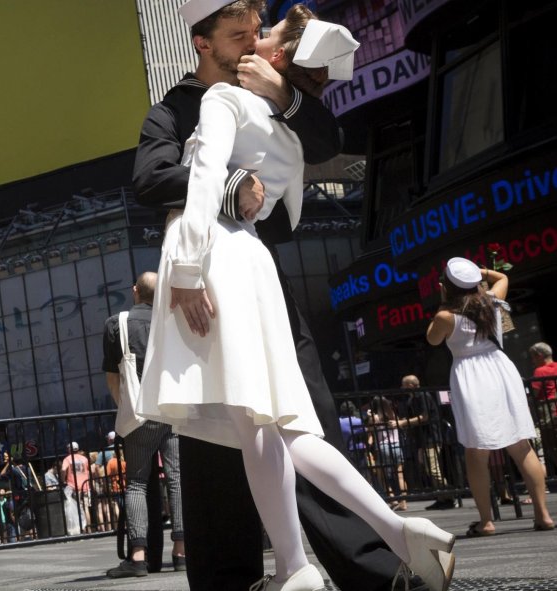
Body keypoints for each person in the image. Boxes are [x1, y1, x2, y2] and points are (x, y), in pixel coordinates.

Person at [138, 5, 457, 590]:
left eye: (257, 33)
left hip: (233, 269)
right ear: (202, 44)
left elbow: (325, 140)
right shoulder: (176, 107)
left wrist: (283, 97)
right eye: (239, 36)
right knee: (258, 429)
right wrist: (236, 189)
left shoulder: (261, 95)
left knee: (292, 414)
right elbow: (150, 177)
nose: (252, 43)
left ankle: (346, 563)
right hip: (234, 262)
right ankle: (290, 564)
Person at [426, 258, 554, 536]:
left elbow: (432, 339)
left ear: (446, 286)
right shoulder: (493, 302)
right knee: (522, 445)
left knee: (476, 449)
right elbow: (503, 279)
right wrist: (481, 272)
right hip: (501, 369)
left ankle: (486, 521)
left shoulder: (445, 316)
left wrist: (443, 298)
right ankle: (543, 514)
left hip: (471, 376)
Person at [102, 272, 185, 578]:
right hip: (173, 409)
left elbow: (113, 377)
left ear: (134, 290)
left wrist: (125, 407)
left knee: (137, 482)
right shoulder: (173, 319)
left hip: (140, 413)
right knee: (177, 480)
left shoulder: (117, 324)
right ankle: (181, 552)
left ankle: (137, 557)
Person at [391, 376, 456, 510]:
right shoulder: (412, 399)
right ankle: (442, 497)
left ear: (411, 385)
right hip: (422, 439)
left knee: (433, 469)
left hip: (431, 437)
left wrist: (402, 423)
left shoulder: (423, 396)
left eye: (404, 385)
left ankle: (450, 497)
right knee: (428, 469)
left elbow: (424, 417)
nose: (402, 388)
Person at [364, 396, 409, 511]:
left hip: (383, 447)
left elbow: (370, 434)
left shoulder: (374, 418)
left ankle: (393, 499)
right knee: (400, 475)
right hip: (396, 445)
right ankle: (403, 502)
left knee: (383, 477)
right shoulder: (393, 415)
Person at [528, 342, 557, 474]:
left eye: (533, 357)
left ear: (539, 356)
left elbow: (534, 393)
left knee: (551, 445)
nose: (532, 361)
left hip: (549, 411)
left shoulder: (540, 371)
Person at [60, 442, 91, 534]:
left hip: (73, 486)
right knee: (86, 508)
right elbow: (88, 471)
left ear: (69, 449)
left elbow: (63, 470)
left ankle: (81, 528)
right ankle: (88, 529)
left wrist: (63, 480)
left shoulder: (67, 459)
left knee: (76, 508)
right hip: (85, 485)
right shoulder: (84, 459)